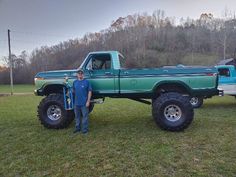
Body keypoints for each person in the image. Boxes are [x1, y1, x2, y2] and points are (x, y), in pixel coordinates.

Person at [73, 69, 92, 134]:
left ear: (83, 74)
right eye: (79, 74)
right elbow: (74, 91)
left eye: (81, 74)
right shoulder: (75, 82)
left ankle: (85, 130)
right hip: (76, 103)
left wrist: (88, 101)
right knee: (77, 117)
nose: (80, 75)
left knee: (85, 117)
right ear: (77, 75)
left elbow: (89, 92)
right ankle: (77, 128)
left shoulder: (87, 82)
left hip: (84, 103)